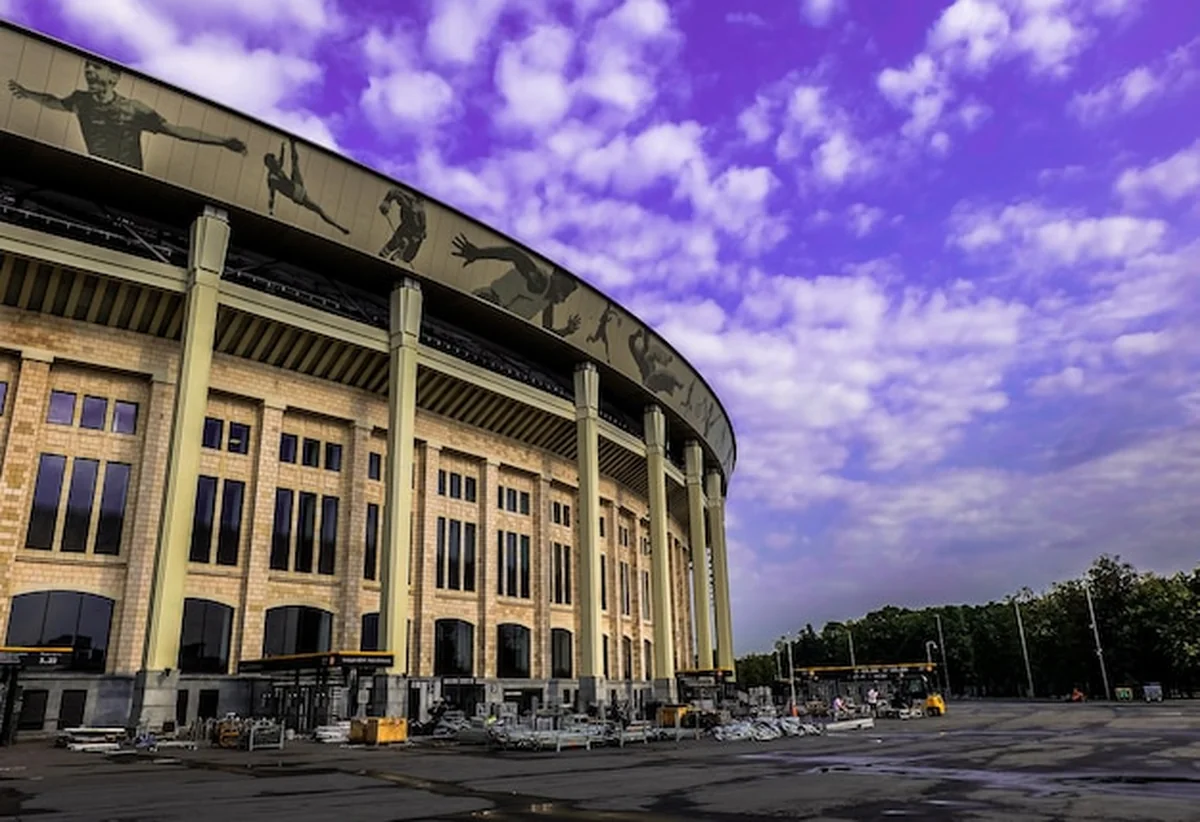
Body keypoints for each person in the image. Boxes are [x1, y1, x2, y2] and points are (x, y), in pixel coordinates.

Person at [8, 59, 246, 171]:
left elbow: (176, 130)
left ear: (114, 77)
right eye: (87, 66)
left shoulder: (135, 109)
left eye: (96, 67)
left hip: (127, 177)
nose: (89, 70)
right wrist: (27, 93)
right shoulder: (80, 100)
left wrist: (222, 141)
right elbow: (54, 102)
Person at [451, 233, 581, 337]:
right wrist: (477, 253)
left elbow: (547, 331)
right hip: (489, 302)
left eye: (566, 295)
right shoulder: (539, 281)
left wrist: (567, 330)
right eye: (564, 292)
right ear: (556, 279)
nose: (563, 299)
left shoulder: (548, 301)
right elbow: (513, 254)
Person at [264, 137, 350, 235]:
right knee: (319, 210)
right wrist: (270, 211)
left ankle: (293, 143)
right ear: (269, 164)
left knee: (295, 163)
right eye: (274, 161)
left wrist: (283, 148)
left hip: (296, 184)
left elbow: (281, 160)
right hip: (296, 194)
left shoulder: (277, 167)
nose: (276, 162)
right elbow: (271, 196)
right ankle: (339, 227)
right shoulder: (272, 179)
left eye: (275, 161)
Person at [378, 186, 427, 263]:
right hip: (405, 228)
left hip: (414, 234)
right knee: (391, 246)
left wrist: (417, 236)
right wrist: (386, 202)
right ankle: (383, 257)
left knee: (406, 258)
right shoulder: (407, 201)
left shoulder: (421, 215)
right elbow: (393, 192)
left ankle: (399, 254)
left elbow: (422, 230)